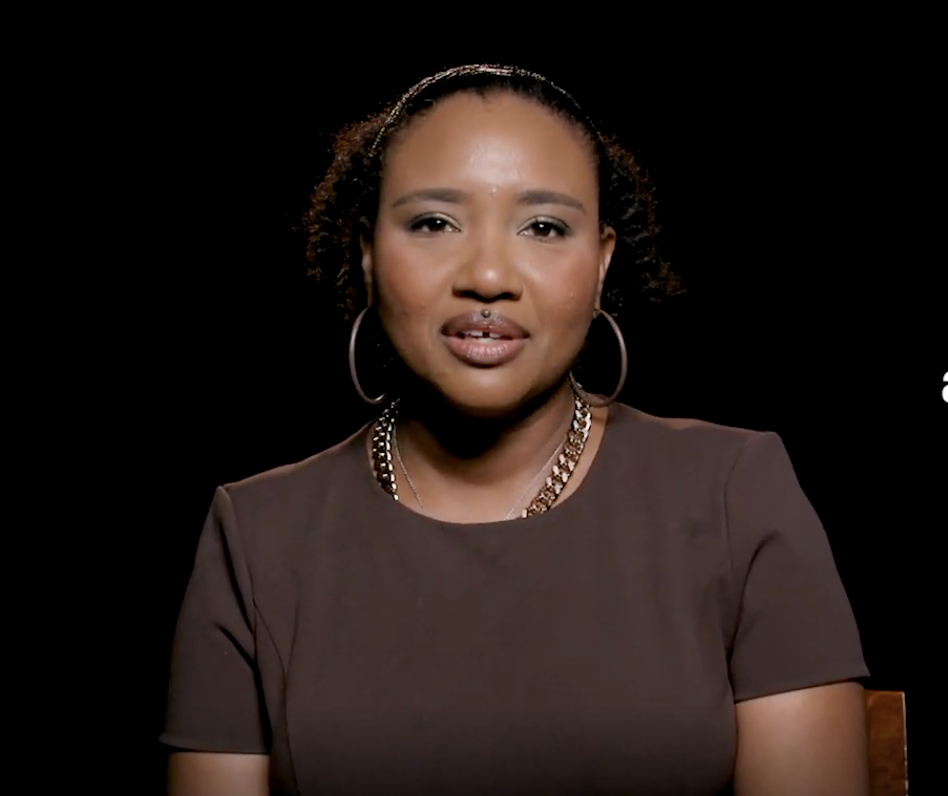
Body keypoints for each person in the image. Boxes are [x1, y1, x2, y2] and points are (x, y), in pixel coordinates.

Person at [160, 64, 870, 796]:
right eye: (434, 223)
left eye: (544, 227)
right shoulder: (255, 535)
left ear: (601, 264)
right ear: (368, 252)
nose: (489, 275)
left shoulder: (735, 494)